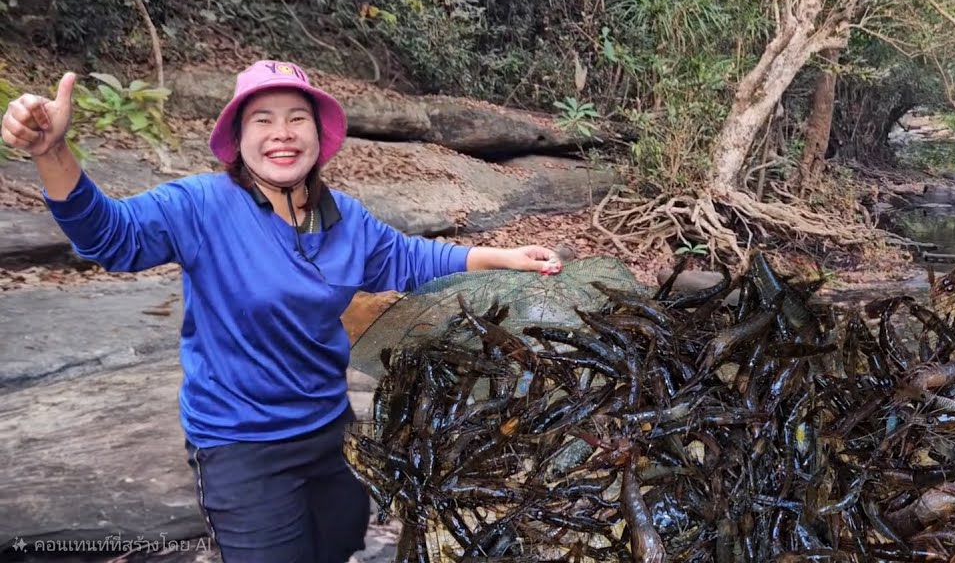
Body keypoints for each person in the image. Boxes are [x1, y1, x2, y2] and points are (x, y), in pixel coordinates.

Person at [1, 60, 564, 562]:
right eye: (262, 119)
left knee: (338, 543)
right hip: (239, 446)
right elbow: (110, 239)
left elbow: (413, 258)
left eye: (297, 118)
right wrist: (52, 151)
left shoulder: (344, 217)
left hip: (330, 433)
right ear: (238, 137)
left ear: (319, 135)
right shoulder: (200, 205)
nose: (281, 134)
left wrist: (504, 256)